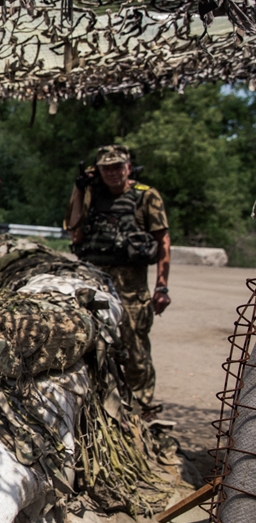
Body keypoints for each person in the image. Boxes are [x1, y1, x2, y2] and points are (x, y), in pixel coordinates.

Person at [65, 144, 171, 413]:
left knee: (134, 349)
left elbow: (163, 242)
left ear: (128, 167)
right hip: (94, 280)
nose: (112, 173)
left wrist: (161, 286)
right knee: (91, 344)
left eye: (117, 167)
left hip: (130, 285)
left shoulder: (146, 197)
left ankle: (141, 408)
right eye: (105, 168)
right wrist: (79, 189)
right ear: (98, 171)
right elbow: (75, 233)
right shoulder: (91, 195)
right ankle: (99, 404)